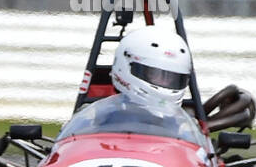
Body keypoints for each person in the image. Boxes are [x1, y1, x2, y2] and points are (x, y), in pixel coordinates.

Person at [60, 25, 205, 145]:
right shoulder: (92, 117)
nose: (164, 84)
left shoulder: (184, 127)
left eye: (173, 78)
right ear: (126, 66)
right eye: (155, 74)